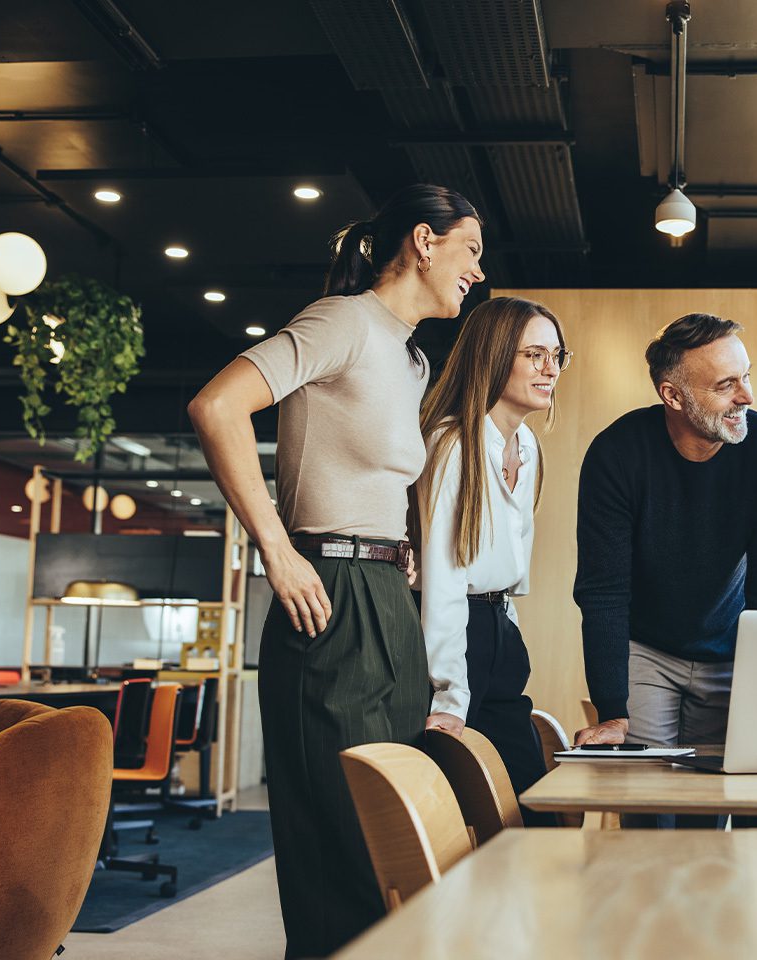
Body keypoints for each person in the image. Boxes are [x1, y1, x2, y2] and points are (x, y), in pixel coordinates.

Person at [187, 184, 485, 959]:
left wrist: (396, 545)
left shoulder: (413, 358)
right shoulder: (341, 321)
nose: (477, 272)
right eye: (471, 251)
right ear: (425, 240)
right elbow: (217, 406)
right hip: (329, 597)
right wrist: (276, 549)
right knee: (342, 851)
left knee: (396, 842)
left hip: (386, 598)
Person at [573, 313, 757, 753]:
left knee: (712, 800)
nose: (748, 397)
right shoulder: (616, 454)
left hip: (735, 647)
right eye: (726, 385)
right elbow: (603, 590)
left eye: (746, 377)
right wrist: (612, 711)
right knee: (649, 802)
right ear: (673, 395)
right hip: (646, 649)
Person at [417, 296, 570, 822]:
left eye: (557, 355)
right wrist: (450, 695)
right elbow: (443, 578)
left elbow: (511, 568)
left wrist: (511, 631)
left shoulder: (526, 445)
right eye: (534, 355)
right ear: (494, 355)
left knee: (529, 809)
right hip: (457, 637)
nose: (550, 369)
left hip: (499, 629)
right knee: (459, 813)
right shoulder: (452, 443)